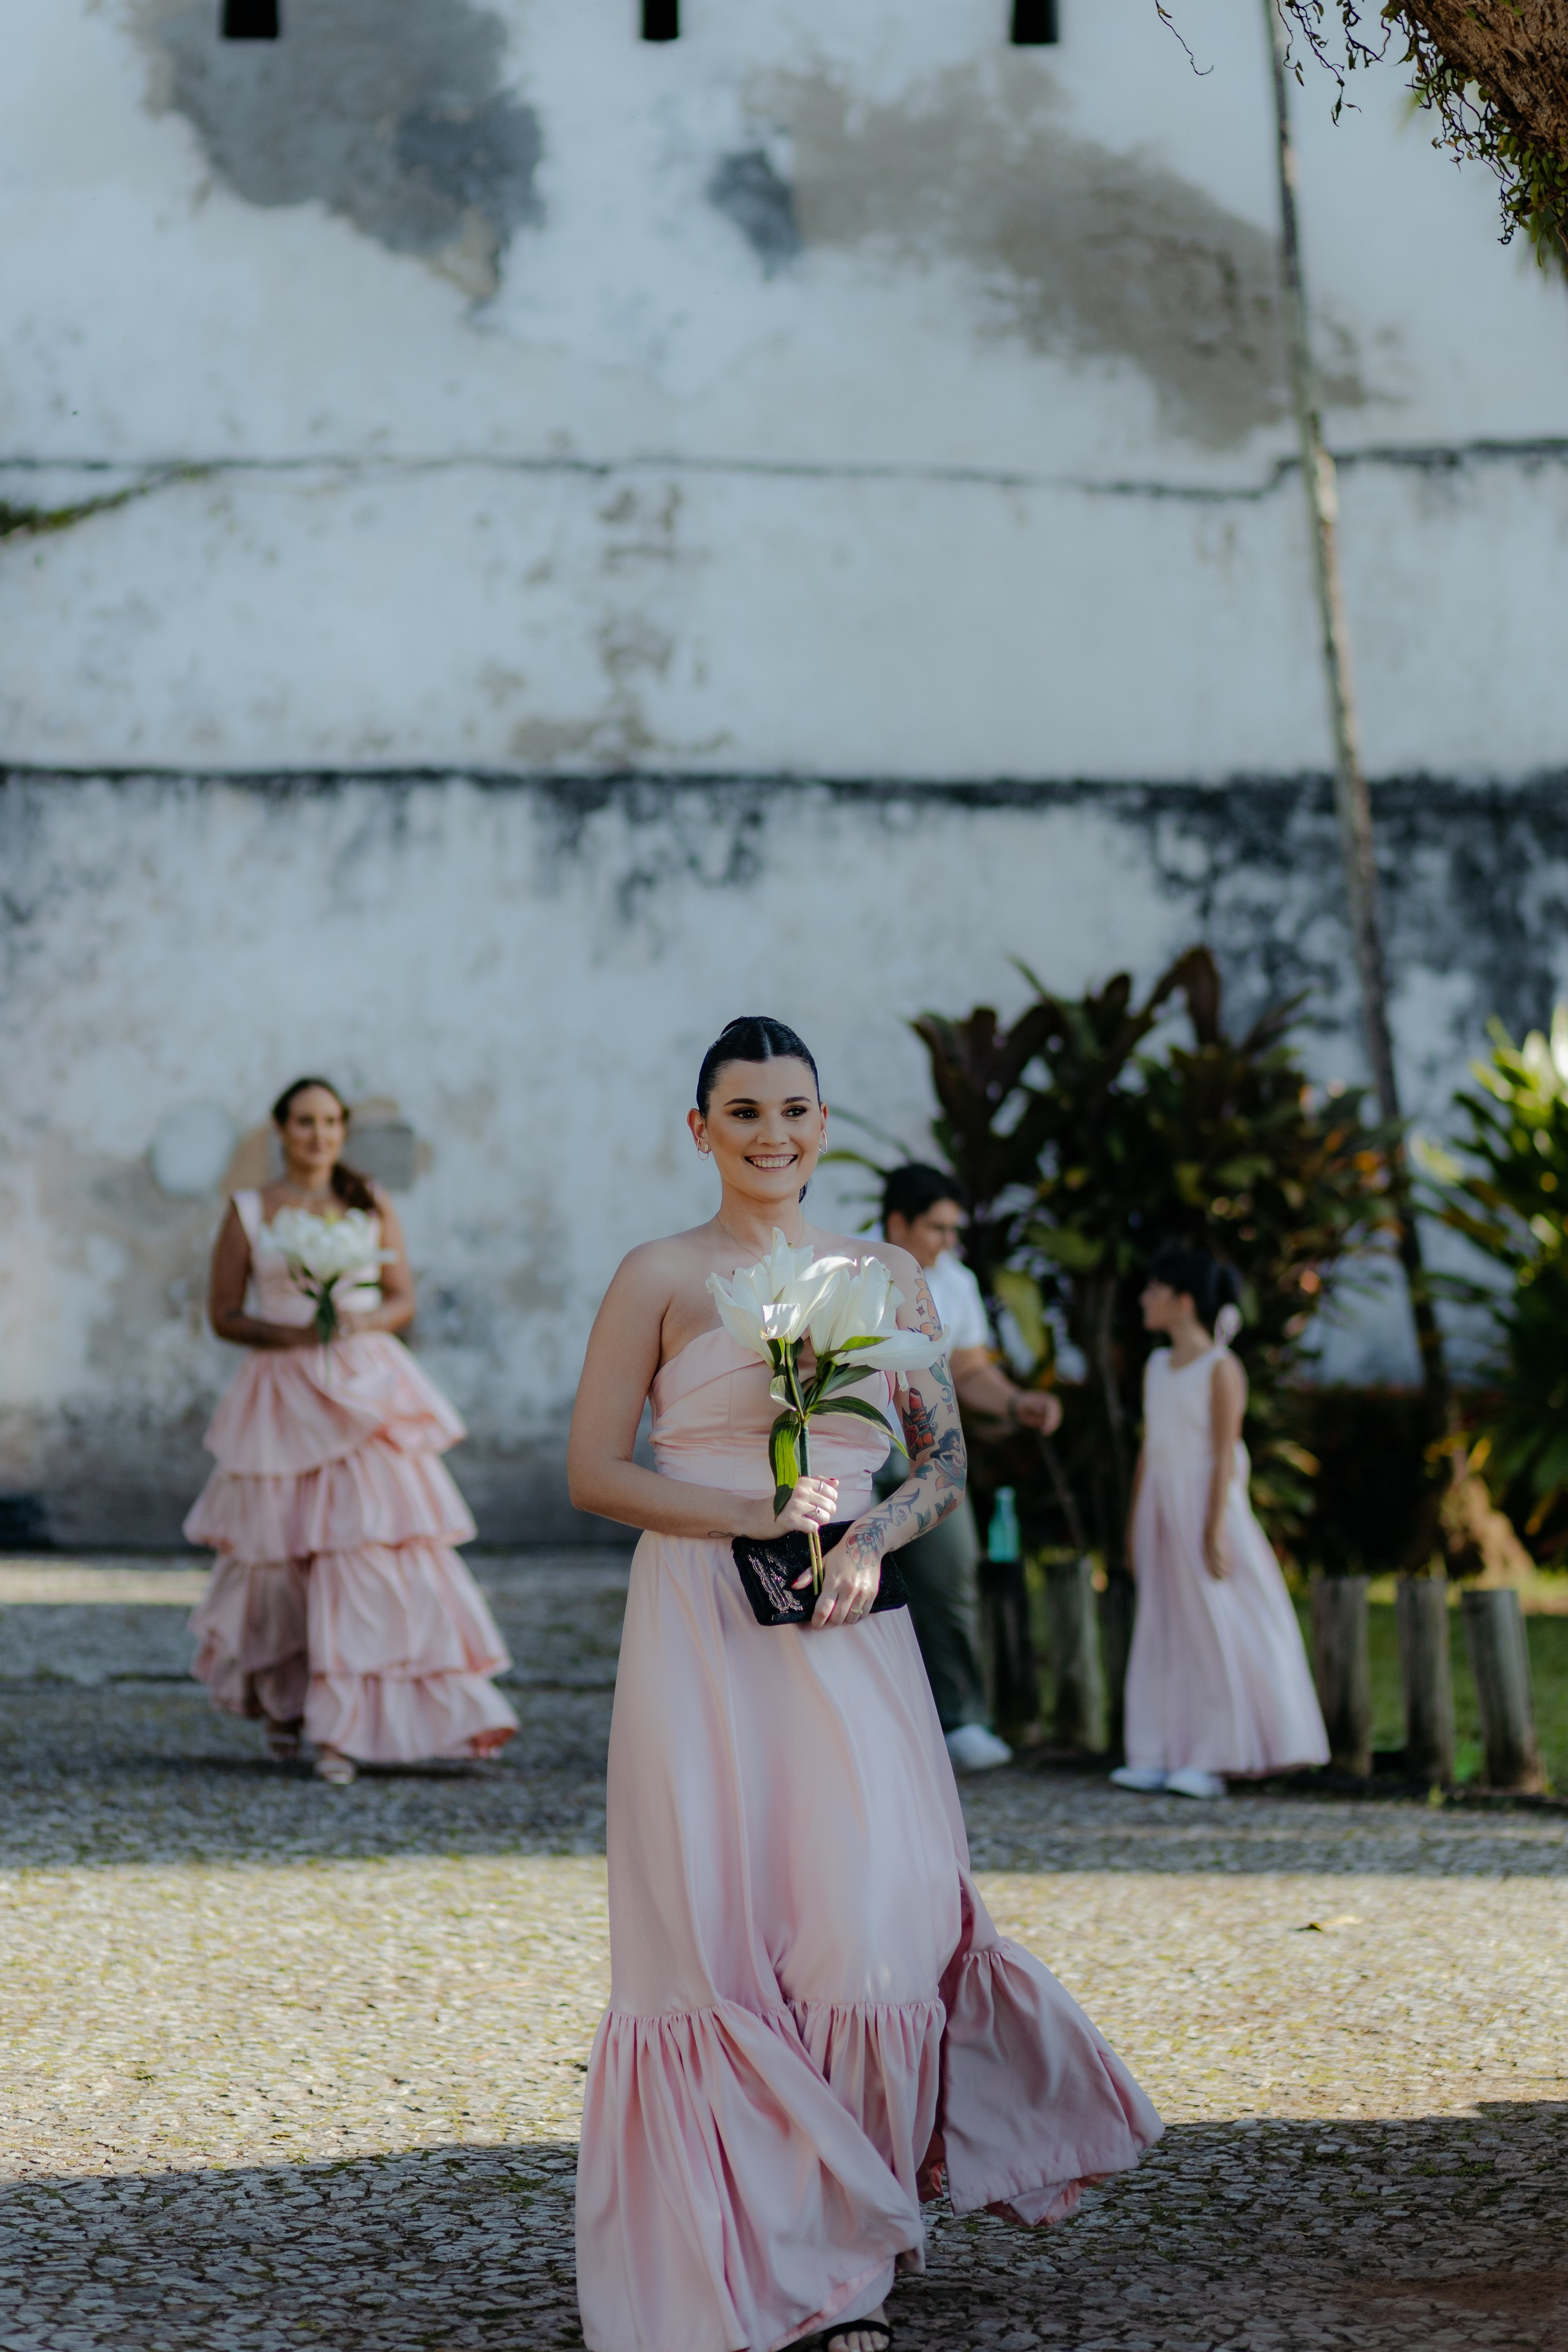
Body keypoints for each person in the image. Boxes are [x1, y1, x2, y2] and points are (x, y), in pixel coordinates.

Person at [568, 1017, 1160, 2352]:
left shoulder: (886, 1272)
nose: (771, 1133)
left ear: (823, 1125)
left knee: (864, 1917)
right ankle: (798, 2263)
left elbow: (937, 1463)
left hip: (851, 1626)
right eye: (743, 1111)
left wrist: (867, 1538)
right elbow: (592, 1472)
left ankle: (855, 2217)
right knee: (723, 1921)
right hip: (703, 1630)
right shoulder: (656, 1275)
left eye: (794, 1109)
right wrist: (747, 1520)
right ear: (698, 1129)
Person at [185, 1077, 517, 1785]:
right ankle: (288, 1704)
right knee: (280, 1562)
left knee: (365, 1554)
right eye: (304, 1122)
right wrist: (293, 1331)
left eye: (331, 1121)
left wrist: (359, 1320)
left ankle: (350, 1727)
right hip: (282, 1392)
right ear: (282, 1130)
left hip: (366, 1390)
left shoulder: (369, 1199)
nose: (319, 1134)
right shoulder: (248, 1210)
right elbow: (223, 1314)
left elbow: (402, 1298)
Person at [1112, 1242, 1330, 1801]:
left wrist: (1211, 1528)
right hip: (1163, 1507)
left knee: (1214, 1625)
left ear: (1183, 1301)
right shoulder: (1157, 1366)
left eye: (1153, 1290)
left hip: (1207, 1507)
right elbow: (1150, 1449)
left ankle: (1215, 1754)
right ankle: (1159, 1750)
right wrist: (1138, 1522)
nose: (1143, 1300)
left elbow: (1225, 1453)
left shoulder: (1221, 1368)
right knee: (1164, 1627)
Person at [882, 1165, 1061, 1774]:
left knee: (953, 1577)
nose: (947, 1242)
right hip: (852, 1454)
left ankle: (960, 1721)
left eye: (952, 1229)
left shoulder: (953, 1282)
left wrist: (1016, 1403)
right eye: (936, 1227)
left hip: (928, 1460)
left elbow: (969, 1370)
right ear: (896, 1222)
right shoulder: (843, 1265)